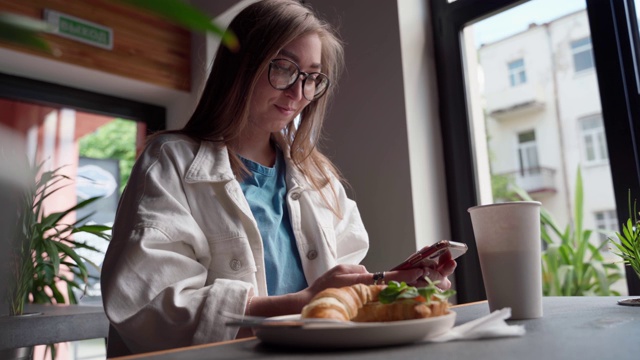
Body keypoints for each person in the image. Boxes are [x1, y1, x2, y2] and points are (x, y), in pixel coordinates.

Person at [100, 0, 457, 355]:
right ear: (240, 66)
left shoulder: (318, 176)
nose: (298, 93)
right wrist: (303, 300)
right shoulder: (170, 161)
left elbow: (341, 294)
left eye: (312, 78)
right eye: (284, 68)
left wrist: (394, 284)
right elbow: (146, 306)